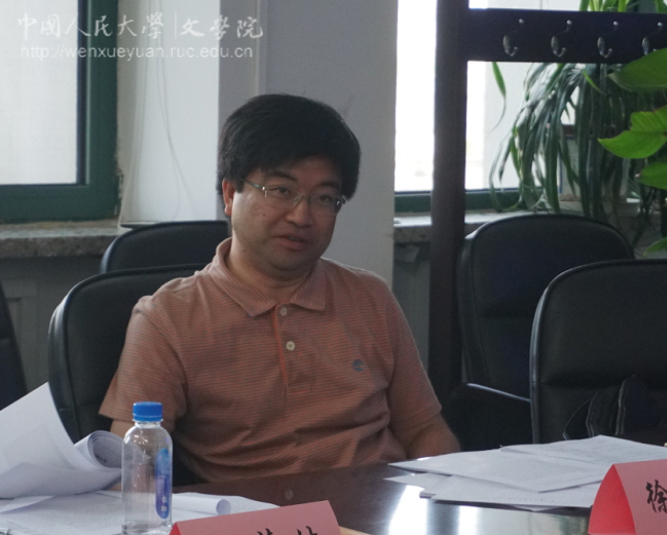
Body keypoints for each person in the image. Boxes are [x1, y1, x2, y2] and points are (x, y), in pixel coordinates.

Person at [100, 94, 459, 483]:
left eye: (324, 198)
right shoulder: (166, 318)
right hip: (250, 513)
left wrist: (444, 502)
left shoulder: (370, 298)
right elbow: (134, 467)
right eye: (281, 191)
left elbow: (424, 431)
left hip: (379, 507)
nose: (302, 216)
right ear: (230, 194)